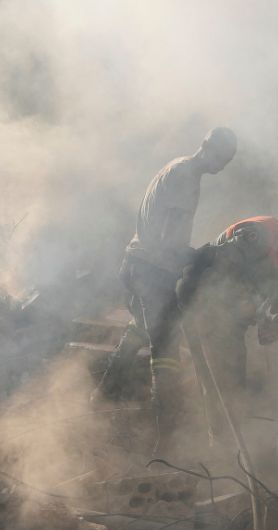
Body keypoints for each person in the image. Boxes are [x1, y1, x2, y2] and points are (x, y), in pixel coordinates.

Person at [95, 128, 237, 448]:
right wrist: (200, 256)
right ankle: (167, 429)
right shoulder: (186, 178)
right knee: (166, 346)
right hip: (151, 269)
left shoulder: (178, 168)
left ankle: (104, 392)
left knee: (141, 329)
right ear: (207, 146)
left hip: (139, 264)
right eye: (223, 158)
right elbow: (169, 238)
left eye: (228, 162)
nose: (223, 166)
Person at [177, 203, 278, 440]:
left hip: (232, 322)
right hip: (206, 308)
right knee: (221, 381)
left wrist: (274, 327)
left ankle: (228, 440)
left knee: (234, 381)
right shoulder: (260, 234)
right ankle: (221, 443)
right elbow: (218, 268)